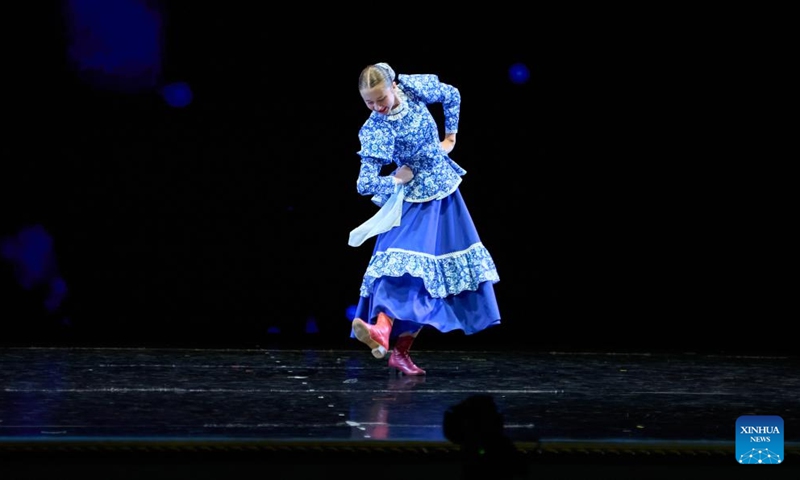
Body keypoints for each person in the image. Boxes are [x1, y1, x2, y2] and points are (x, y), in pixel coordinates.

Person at [348, 62, 501, 376]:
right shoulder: (377, 128)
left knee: (433, 280)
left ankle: (399, 351)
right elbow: (364, 183)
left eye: (381, 99)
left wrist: (451, 136)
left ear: (393, 86)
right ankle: (380, 329)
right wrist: (395, 180)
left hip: (444, 195)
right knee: (398, 268)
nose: (376, 107)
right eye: (368, 102)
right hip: (412, 201)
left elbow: (451, 94)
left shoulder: (415, 90)